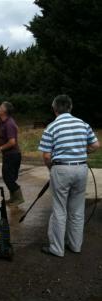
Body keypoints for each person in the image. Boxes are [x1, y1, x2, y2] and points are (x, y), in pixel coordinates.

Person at [39, 95, 100, 257]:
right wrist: (82, 151)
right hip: (81, 169)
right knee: (77, 210)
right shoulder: (83, 124)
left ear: (54, 109)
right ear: (70, 108)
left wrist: (52, 168)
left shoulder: (51, 127)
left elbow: (46, 156)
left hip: (61, 169)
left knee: (59, 209)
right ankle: (75, 245)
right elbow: (96, 145)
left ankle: (57, 249)